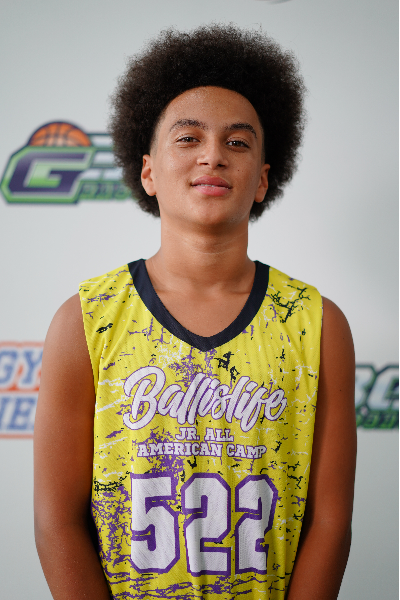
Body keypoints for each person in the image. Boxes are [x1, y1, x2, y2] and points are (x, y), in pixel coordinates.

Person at [34, 24, 357, 600]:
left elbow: (329, 521)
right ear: (148, 172)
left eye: (238, 142)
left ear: (263, 179)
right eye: (188, 138)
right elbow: (57, 520)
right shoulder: (85, 319)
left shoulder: (317, 323)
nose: (213, 155)